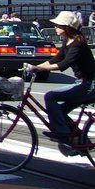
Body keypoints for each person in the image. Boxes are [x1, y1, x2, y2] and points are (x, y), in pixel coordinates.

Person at [26, 11, 95, 144]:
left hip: (89, 85)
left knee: (50, 96)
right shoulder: (68, 41)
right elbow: (56, 59)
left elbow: (64, 63)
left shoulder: (77, 43)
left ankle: (62, 133)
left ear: (66, 28)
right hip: (83, 83)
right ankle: (81, 141)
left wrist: (39, 68)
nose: (55, 28)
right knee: (60, 112)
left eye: (58, 25)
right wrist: (34, 66)